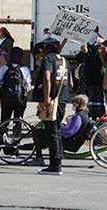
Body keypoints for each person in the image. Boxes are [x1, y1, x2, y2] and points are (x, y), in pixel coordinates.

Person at [33, 41, 69, 176]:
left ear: (46, 50)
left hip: (52, 100)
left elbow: (47, 77)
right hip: (63, 99)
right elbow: (70, 82)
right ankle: (58, 160)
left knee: (51, 132)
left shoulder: (48, 59)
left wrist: (46, 98)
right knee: (57, 131)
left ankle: (55, 166)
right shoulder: (64, 60)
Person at [0, 47, 32, 123]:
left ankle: (2, 133)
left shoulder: (4, 68)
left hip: (6, 98)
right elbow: (28, 86)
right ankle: (17, 133)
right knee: (18, 119)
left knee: (5, 118)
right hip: (20, 98)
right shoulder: (25, 69)